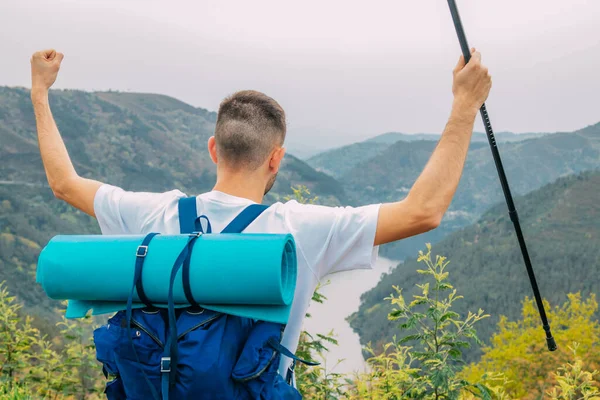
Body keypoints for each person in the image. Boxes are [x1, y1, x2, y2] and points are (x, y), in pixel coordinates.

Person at [30, 48, 491, 380]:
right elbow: (423, 211)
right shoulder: (299, 231)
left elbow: (64, 183)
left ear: (214, 148)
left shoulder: (151, 214)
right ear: (276, 158)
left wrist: (39, 91)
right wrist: (465, 105)